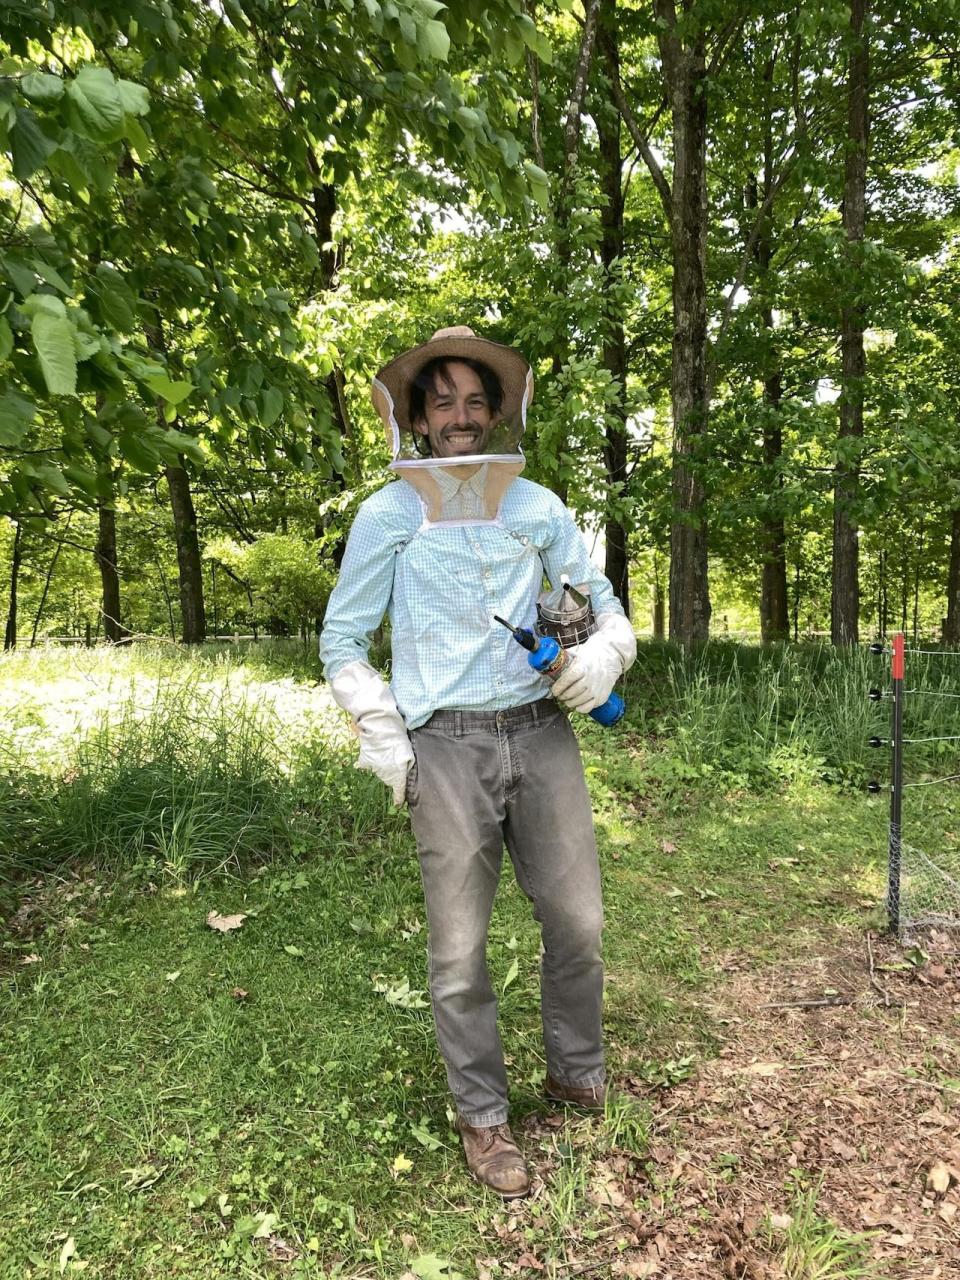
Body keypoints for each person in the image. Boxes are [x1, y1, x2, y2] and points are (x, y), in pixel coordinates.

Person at [319, 326, 636, 1197]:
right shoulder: (389, 514)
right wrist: (381, 727)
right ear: (417, 419)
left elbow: (601, 607)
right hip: (445, 745)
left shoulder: (536, 507)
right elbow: (342, 639)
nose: (459, 418)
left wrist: (599, 659)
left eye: (474, 401)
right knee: (460, 951)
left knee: (578, 923)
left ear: (498, 414)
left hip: (543, 732)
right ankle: (484, 1120)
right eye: (442, 401)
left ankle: (575, 1070)